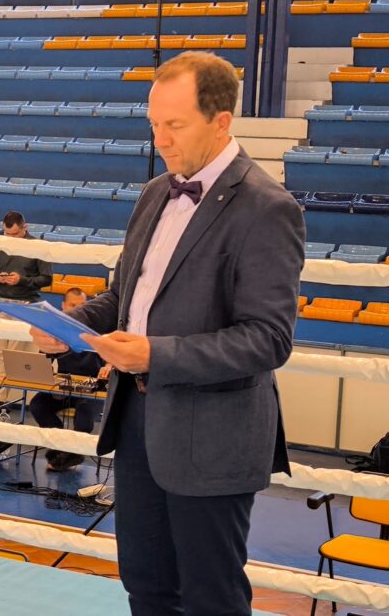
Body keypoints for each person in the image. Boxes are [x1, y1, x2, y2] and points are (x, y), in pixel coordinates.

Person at [31, 51, 304, 615]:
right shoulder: (156, 191)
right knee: (146, 587)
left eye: (174, 124)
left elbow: (268, 339)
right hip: (138, 427)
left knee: (210, 599)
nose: (160, 139)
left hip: (214, 439)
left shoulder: (268, 209)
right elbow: (123, 299)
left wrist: (156, 354)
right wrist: (70, 328)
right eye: (154, 123)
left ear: (221, 121)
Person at [28, 288, 109, 472]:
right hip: (63, 387)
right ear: (63, 306)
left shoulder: (98, 330)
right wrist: (46, 375)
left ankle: (72, 453)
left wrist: (109, 366)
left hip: (94, 389)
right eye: (73, 305)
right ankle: (61, 446)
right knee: (38, 405)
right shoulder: (55, 332)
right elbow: (44, 360)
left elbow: (111, 358)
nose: (78, 310)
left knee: (84, 412)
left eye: (82, 306)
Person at [0, 211, 53, 377]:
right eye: (7, 234)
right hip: (0, 302)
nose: (11, 238)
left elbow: (47, 279)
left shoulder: (39, 246)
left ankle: (7, 393)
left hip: (26, 305)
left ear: (25, 228)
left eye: (15, 234)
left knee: (14, 356)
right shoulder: (1, 244)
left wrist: (21, 280)